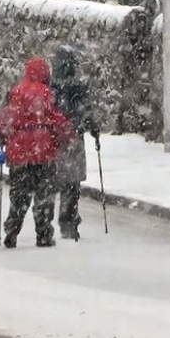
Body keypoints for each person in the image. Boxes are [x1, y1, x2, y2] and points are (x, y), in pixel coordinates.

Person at [0, 57, 75, 248]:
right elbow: (57, 120)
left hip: (20, 155)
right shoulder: (47, 94)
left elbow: (4, 120)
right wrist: (67, 135)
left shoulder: (16, 93)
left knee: (19, 196)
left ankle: (12, 229)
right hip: (43, 153)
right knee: (44, 197)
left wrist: (1, 136)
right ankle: (44, 233)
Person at [49, 45, 101, 241]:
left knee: (53, 180)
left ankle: (46, 220)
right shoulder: (78, 89)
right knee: (71, 183)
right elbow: (86, 113)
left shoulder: (50, 88)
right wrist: (93, 129)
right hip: (74, 139)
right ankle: (68, 221)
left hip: (54, 140)